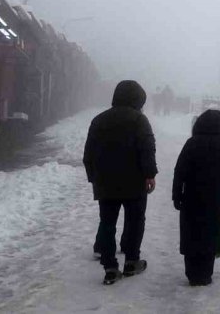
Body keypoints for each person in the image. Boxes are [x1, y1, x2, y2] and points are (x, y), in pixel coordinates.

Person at [83, 80, 157, 285]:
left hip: (105, 183)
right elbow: (147, 148)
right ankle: (132, 261)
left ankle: (110, 267)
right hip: (135, 182)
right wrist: (150, 174)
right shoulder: (139, 120)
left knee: (107, 223)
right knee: (135, 221)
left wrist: (94, 178)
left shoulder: (98, 120)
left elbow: (88, 154)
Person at [173, 110, 220, 286]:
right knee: (211, 233)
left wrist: (176, 195)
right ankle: (205, 274)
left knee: (192, 233)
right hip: (217, 198)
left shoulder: (191, 143)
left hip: (192, 197)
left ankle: (192, 273)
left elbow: (179, 171)